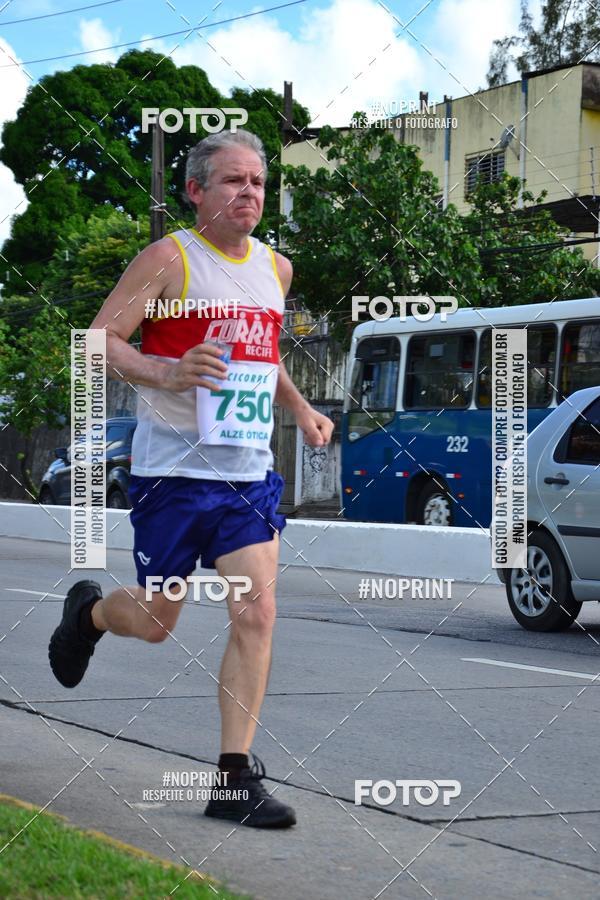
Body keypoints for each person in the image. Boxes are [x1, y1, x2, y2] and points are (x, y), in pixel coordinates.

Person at [48, 128, 334, 828]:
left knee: (257, 611)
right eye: (234, 181)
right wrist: (166, 371)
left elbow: (263, 356)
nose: (250, 194)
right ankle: (87, 614)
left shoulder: (277, 268)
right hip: (172, 473)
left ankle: (232, 780)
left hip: (246, 475)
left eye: (259, 183)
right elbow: (96, 342)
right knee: (154, 623)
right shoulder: (169, 259)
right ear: (196, 190)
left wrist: (300, 408)